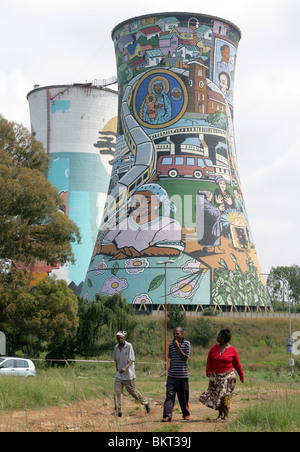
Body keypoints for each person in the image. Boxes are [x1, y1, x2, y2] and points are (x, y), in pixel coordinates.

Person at [199, 329, 244, 422]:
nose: (217, 337)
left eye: (219, 335)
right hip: (215, 376)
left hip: (228, 376)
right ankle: (220, 414)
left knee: (225, 395)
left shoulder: (232, 350)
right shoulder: (214, 348)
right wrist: (208, 371)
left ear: (223, 339)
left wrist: (241, 375)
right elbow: (209, 360)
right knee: (217, 396)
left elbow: (237, 364)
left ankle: (226, 416)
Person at [113, 331, 150, 417]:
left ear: (124, 338)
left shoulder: (129, 346)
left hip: (128, 374)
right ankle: (118, 410)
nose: (119, 339)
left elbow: (132, 359)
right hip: (119, 374)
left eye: (121, 338)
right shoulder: (116, 347)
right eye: (118, 338)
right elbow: (116, 361)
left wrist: (125, 368)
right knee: (116, 392)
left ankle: (145, 402)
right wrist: (117, 370)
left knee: (133, 392)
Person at [162, 327, 191, 422]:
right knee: (169, 395)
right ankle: (167, 416)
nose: (175, 335)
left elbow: (185, 358)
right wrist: (171, 370)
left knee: (183, 396)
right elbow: (171, 359)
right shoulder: (171, 345)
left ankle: (185, 413)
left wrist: (178, 346)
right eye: (174, 333)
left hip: (182, 375)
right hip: (172, 375)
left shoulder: (187, 344)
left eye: (177, 333)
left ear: (182, 333)